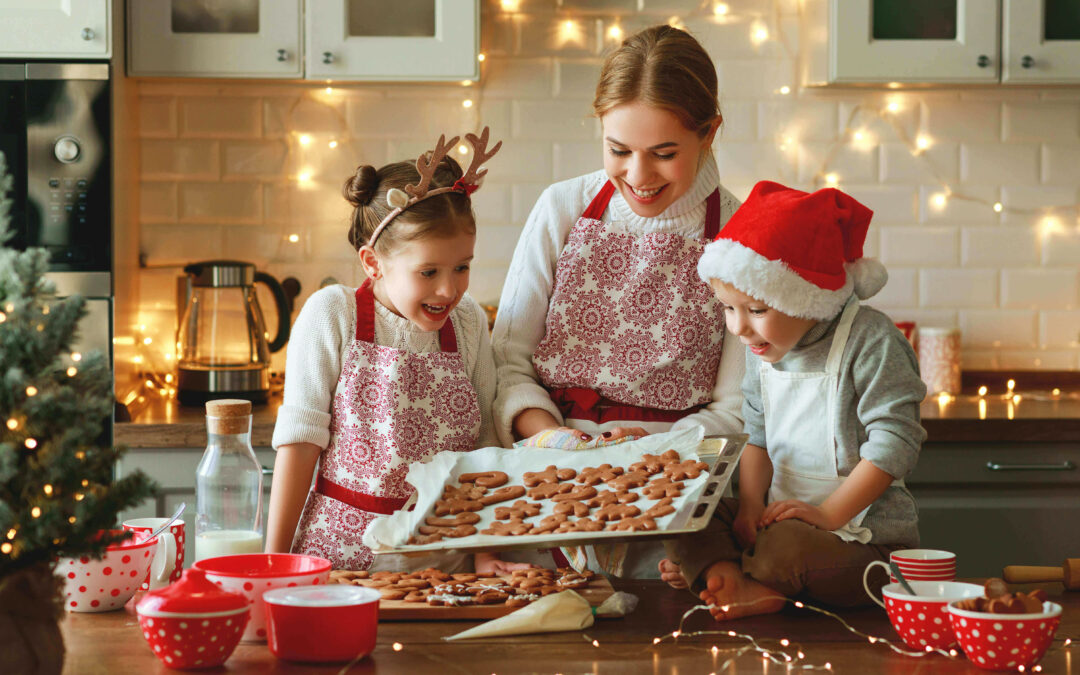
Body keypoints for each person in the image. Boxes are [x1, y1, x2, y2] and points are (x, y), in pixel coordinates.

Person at [491, 25, 746, 578]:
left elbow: (738, 407)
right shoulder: (563, 208)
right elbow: (508, 361)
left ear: (709, 133)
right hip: (548, 489)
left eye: (663, 153)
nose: (638, 174)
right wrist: (553, 437)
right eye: (618, 150)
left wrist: (648, 457)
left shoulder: (737, 233)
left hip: (673, 510)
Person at [662, 180, 927, 620]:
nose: (738, 328)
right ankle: (729, 574)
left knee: (783, 547)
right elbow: (757, 433)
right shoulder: (763, 349)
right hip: (778, 520)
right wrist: (749, 507)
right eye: (728, 308)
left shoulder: (872, 340)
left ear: (806, 297)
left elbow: (895, 443)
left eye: (756, 310)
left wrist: (826, 515)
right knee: (689, 508)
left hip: (863, 541)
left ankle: (750, 581)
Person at [266, 129, 521, 575]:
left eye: (462, 267)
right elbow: (300, 444)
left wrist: (485, 555)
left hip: (444, 564)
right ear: (373, 263)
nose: (450, 289)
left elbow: (484, 448)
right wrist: (274, 562)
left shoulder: (469, 324)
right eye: (428, 271)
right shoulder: (334, 314)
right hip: (340, 559)